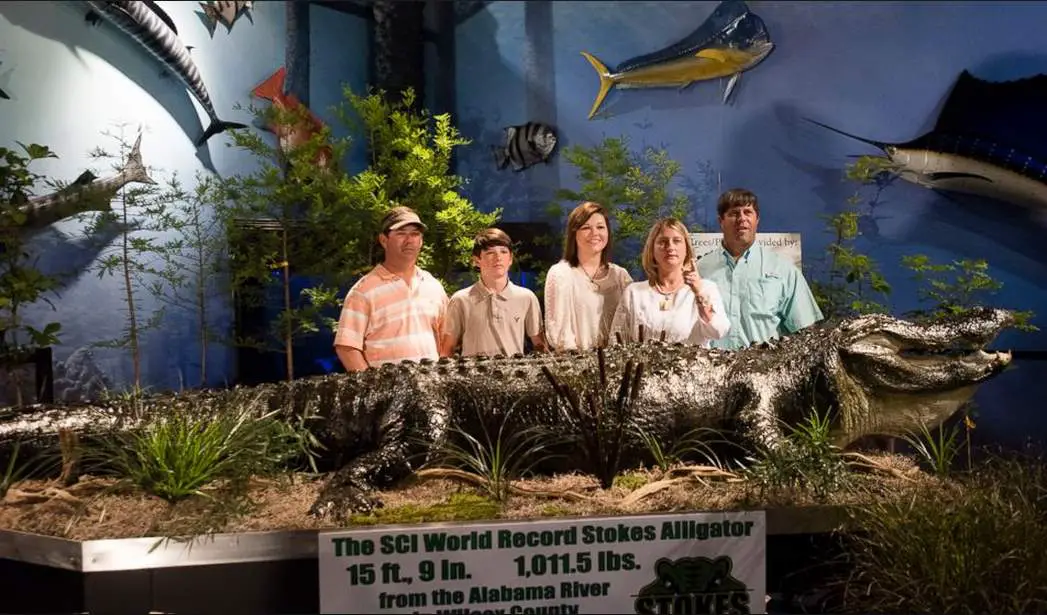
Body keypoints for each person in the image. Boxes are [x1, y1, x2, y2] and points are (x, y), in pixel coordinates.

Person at [697, 188, 824, 349]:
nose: (741, 218)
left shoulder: (784, 270)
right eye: (734, 213)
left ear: (757, 220)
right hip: (712, 369)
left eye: (748, 212)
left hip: (765, 370)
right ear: (721, 221)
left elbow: (807, 331)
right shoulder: (700, 271)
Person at [333, 206, 449, 371]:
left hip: (430, 391)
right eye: (401, 233)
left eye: (415, 234)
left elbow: (446, 340)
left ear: (421, 241)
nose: (409, 240)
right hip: (387, 394)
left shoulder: (433, 286)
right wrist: (373, 389)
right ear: (384, 240)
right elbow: (347, 348)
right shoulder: (363, 292)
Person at [611, 218, 730, 346]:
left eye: (677, 241)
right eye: (663, 242)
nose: (670, 247)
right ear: (652, 250)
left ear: (687, 249)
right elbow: (616, 342)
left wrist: (698, 294)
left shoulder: (706, 288)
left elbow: (718, 332)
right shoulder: (634, 292)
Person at [439, 228, 546, 357]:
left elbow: (540, 347)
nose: (498, 257)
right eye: (490, 252)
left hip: (513, 376)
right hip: (473, 376)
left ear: (510, 259)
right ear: (477, 260)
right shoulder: (460, 300)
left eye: (504, 252)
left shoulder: (526, 298)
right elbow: (447, 350)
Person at [544, 201, 633, 351]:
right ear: (574, 234)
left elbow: (633, 323)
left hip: (619, 364)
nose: (594, 233)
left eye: (600, 227)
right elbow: (559, 331)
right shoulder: (561, 274)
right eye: (586, 228)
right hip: (579, 365)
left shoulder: (620, 275)